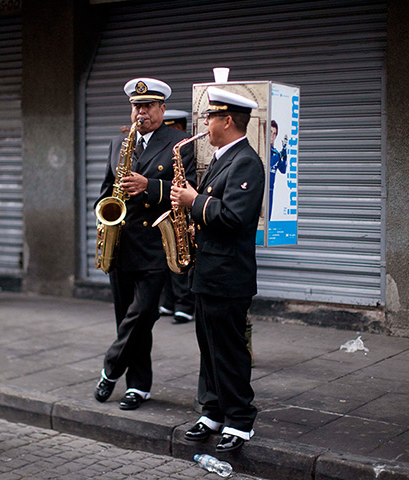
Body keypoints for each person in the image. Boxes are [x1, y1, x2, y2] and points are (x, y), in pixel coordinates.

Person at [171, 87, 264, 453]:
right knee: (208, 348)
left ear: (227, 120)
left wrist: (195, 201)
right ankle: (212, 412)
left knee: (229, 350)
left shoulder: (246, 161)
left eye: (210, 117)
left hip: (229, 275)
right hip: (209, 271)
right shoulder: (223, 157)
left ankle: (240, 420)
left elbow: (236, 217)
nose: (205, 123)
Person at [93, 78, 196, 410]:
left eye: (149, 106)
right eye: (137, 106)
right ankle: (138, 386)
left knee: (144, 312)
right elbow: (107, 187)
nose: (142, 112)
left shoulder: (180, 142)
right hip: (121, 243)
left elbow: (190, 187)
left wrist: (150, 185)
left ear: (162, 109)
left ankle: (111, 368)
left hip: (155, 243)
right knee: (126, 316)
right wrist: (103, 219)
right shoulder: (119, 142)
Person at [158, 109, 196, 324]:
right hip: (162, 208)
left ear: (180, 128)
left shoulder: (184, 146)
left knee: (180, 259)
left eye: (171, 127)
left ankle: (184, 305)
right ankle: (168, 301)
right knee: (165, 259)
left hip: (180, 208)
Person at [269, 119, 287, 219]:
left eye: (274, 133)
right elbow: (270, 163)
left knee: (268, 219)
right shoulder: (264, 149)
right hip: (262, 189)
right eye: (270, 132)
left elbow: (283, 169)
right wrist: (281, 153)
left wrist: (285, 153)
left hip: (271, 190)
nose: (272, 136)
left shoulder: (275, 152)